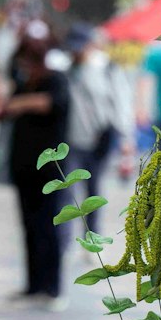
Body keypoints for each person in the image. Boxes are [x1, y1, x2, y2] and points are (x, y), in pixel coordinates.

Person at [2, 31, 72, 306]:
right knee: (29, 226)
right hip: (24, 167)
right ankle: (33, 285)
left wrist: (19, 104)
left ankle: (52, 288)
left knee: (49, 226)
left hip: (50, 170)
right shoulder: (23, 83)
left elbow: (52, 104)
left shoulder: (55, 80)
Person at [67, 26, 135, 232]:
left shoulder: (106, 68)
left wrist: (126, 139)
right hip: (70, 139)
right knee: (67, 190)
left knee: (93, 188)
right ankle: (66, 238)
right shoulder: (63, 67)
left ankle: (91, 234)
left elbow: (122, 103)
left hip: (99, 137)